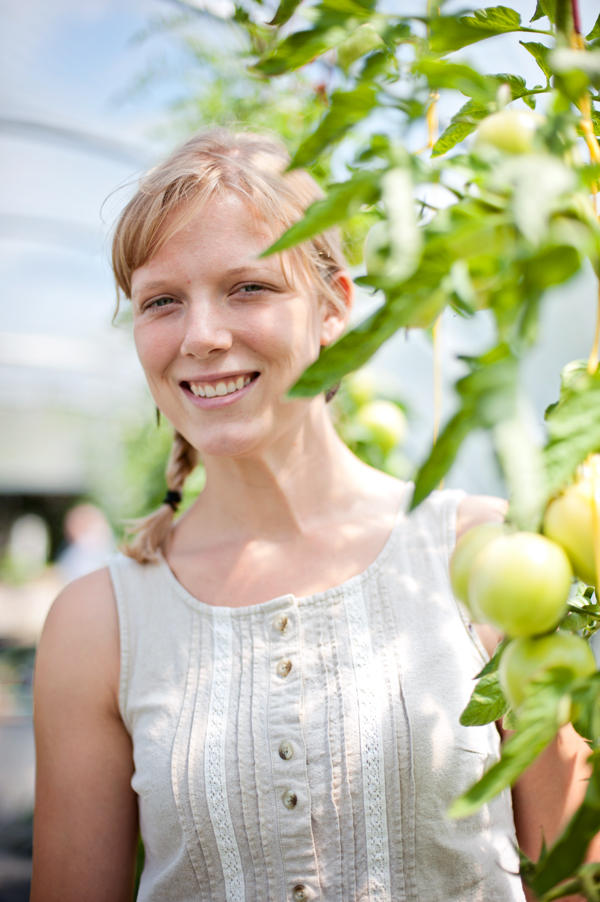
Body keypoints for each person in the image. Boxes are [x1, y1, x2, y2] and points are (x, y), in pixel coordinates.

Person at [31, 129, 597, 902]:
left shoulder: (483, 556)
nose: (202, 337)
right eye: (162, 301)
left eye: (249, 287)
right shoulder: (97, 624)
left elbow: (574, 880)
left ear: (334, 308)